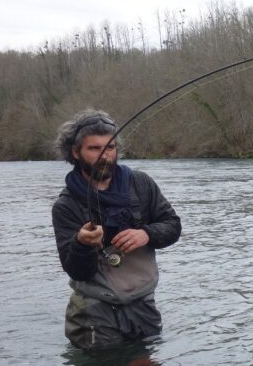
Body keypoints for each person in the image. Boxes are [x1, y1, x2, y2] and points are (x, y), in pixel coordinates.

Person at [51, 109, 181, 350]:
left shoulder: (141, 184)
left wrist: (147, 234)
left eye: (110, 147)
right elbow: (77, 270)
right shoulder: (66, 205)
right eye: (94, 149)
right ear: (75, 152)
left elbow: (173, 226)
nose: (105, 155)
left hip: (143, 304)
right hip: (93, 313)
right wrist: (83, 243)